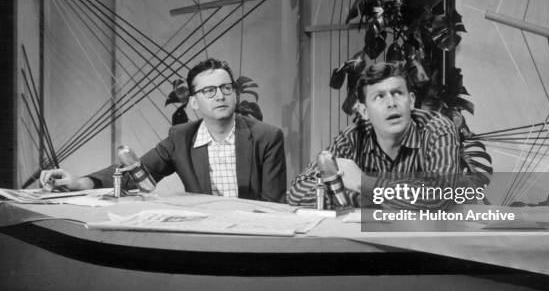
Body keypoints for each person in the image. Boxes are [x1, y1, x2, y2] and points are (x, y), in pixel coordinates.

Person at [40, 58, 287, 202]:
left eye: (226, 88)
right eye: (209, 91)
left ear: (235, 93)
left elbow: (273, 207)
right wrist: (79, 183)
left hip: (253, 234)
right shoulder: (181, 137)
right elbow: (134, 173)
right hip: (203, 235)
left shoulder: (267, 137)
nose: (220, 96)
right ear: (193, 102)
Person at [287, 62, 460, 206]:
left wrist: (362, 182)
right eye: (379, 97)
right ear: (364, 111)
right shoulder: (352, 138)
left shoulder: (437, 129)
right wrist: (365, 199)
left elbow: (440, 199)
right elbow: (297, 191)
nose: (392, 103)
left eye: (398, 93)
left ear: (412, 101)